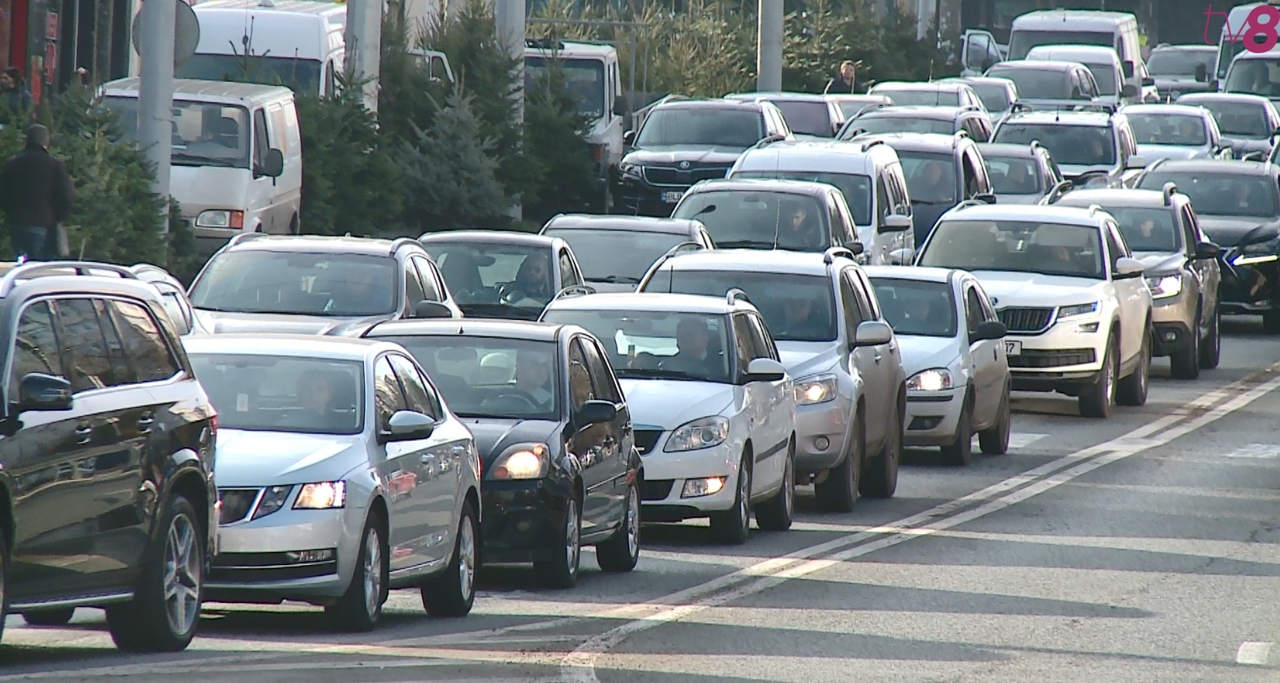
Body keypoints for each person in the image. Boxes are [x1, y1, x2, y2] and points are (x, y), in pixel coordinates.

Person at [0, 125, 74, 261]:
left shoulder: (12, 164)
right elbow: (65, 196)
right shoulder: (55, 165)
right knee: (40, 268)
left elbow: (4, 195)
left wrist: (13, 213)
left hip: (18, 223)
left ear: (26, 141)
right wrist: (58, 217)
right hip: (44, 223)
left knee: (22, 264)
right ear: (46, 142)